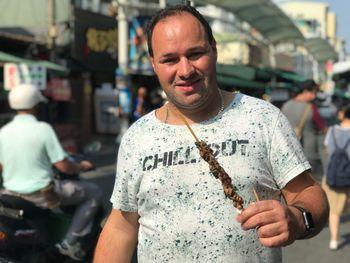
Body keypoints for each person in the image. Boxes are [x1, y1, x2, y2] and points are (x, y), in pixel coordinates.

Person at [94, 4, 329, 263]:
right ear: (153, 63)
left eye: (195, 54)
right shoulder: (137, 138)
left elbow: (309, 195)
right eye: (170, 59)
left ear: (214, 50)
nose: (185, 71)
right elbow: (121, 228)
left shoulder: (263, 119)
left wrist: (297, 218)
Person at [0, 84, 102, 261]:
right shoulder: (43, 129)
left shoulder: (3, 132)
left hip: (9, 195)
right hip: (40, 196)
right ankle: (69, 242)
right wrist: (82, 166)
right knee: (94, 191)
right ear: (36, 106)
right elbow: (63, 166)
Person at [281, 80, 327, 181]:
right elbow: (323, 128)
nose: (315, 96)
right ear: (305, 91)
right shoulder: (311, 108)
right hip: (308, 155)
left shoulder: (286, 105)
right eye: (314, 92)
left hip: (288, 153)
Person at [322, 104, 350, 250]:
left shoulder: (332, 130)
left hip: (333, 177)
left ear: (343, 114)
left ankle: (334, 240)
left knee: (334, 211)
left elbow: (327, 151)